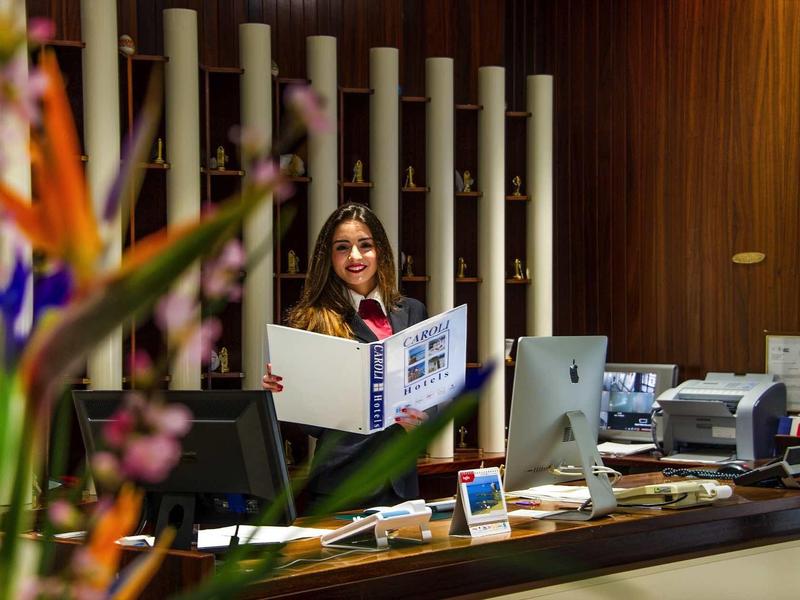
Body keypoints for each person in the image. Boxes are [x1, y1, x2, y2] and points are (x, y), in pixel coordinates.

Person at [262, 202, 429, 511]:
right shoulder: (311, 319)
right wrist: (284, 392)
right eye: (343, 247)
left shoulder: (412, 311)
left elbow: (426, 386)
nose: (355, 256)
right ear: (330, 257)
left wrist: (423, 420)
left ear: (380, 252)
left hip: (401, 485)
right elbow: (312, 427)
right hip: (339, 485)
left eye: (365, 245)